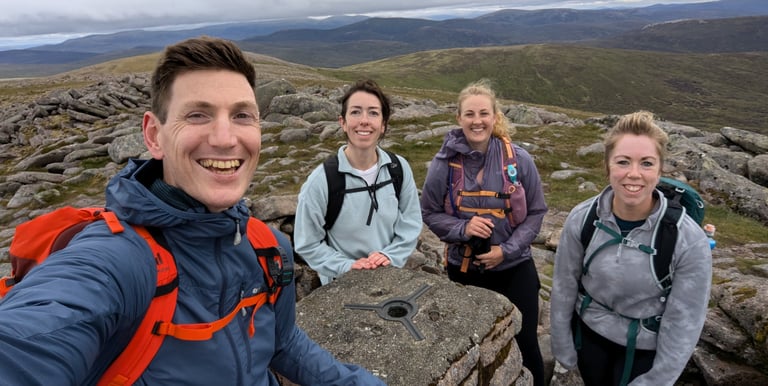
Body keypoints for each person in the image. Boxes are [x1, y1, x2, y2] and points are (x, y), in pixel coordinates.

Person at [0, 37, 384, 385]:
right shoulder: (116, 261)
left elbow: (282, 343)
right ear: (153, 136)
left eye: (242, 115)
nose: (224, 138)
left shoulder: (266, 246)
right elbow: (28, 342)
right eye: (197, 115)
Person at [549, 111, 712, 385]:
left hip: (644, 351)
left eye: (646, 163)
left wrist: (656, 381)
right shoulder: (582, 217)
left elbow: (685, 321)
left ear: (660, 171)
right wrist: (562, 346)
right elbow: (564, 285)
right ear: (607, 166)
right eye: (623, 162)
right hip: (588, 337)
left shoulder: (688, 239)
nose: (633, 174)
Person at [420, 79, 548, 386]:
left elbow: (536, 213)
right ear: (459, 118)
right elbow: (429, 212)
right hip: (464, 270)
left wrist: (506, 250)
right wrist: (463, 228)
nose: (477, 121)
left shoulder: (518, 160)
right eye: (470, 114)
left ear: (495, 116)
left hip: (514, 267)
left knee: (527, 341)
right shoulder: (444, 164)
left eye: (483, 113)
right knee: (470, 346)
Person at [294, 79, 422, 285]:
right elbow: (307, 243)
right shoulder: (322, 181)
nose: (364, 120)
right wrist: (347, 266)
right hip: (341, 285)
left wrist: (389, 255)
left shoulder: (398, 168)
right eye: (355, 112)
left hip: (390, 276)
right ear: (342, 122)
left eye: (373, 112)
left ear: (383, 125)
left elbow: (411, 222)